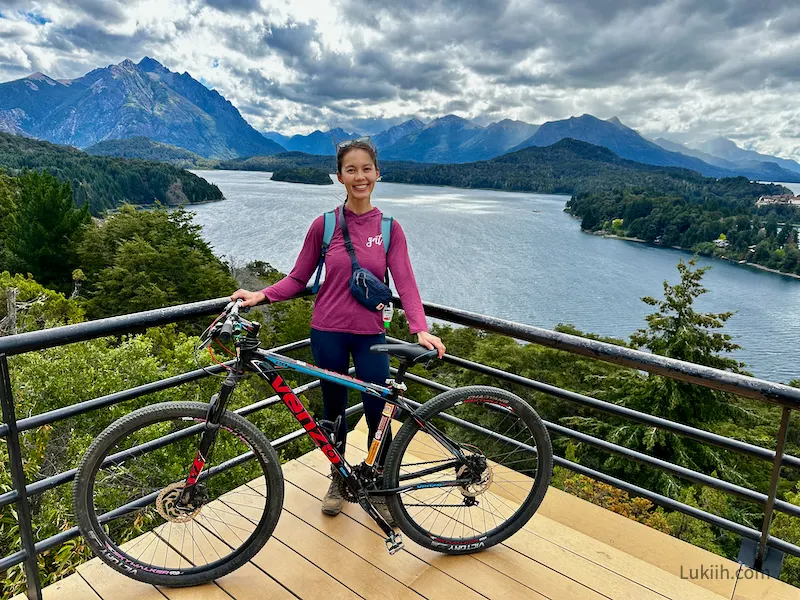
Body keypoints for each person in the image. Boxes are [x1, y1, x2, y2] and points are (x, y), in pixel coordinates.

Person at [230, 138, 445, 521]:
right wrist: (260, 295)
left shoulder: (390, 228)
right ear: (340, 176)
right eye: (351, 170)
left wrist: (420, 329)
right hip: (327, 329)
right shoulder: (324, 225)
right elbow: (298, 278)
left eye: (366, 169)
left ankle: (380, 483)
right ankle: (338, 478)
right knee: (333, 409)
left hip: (370, 336)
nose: (359, 176)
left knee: (381, 411)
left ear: (378, 174)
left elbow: (406, 282)